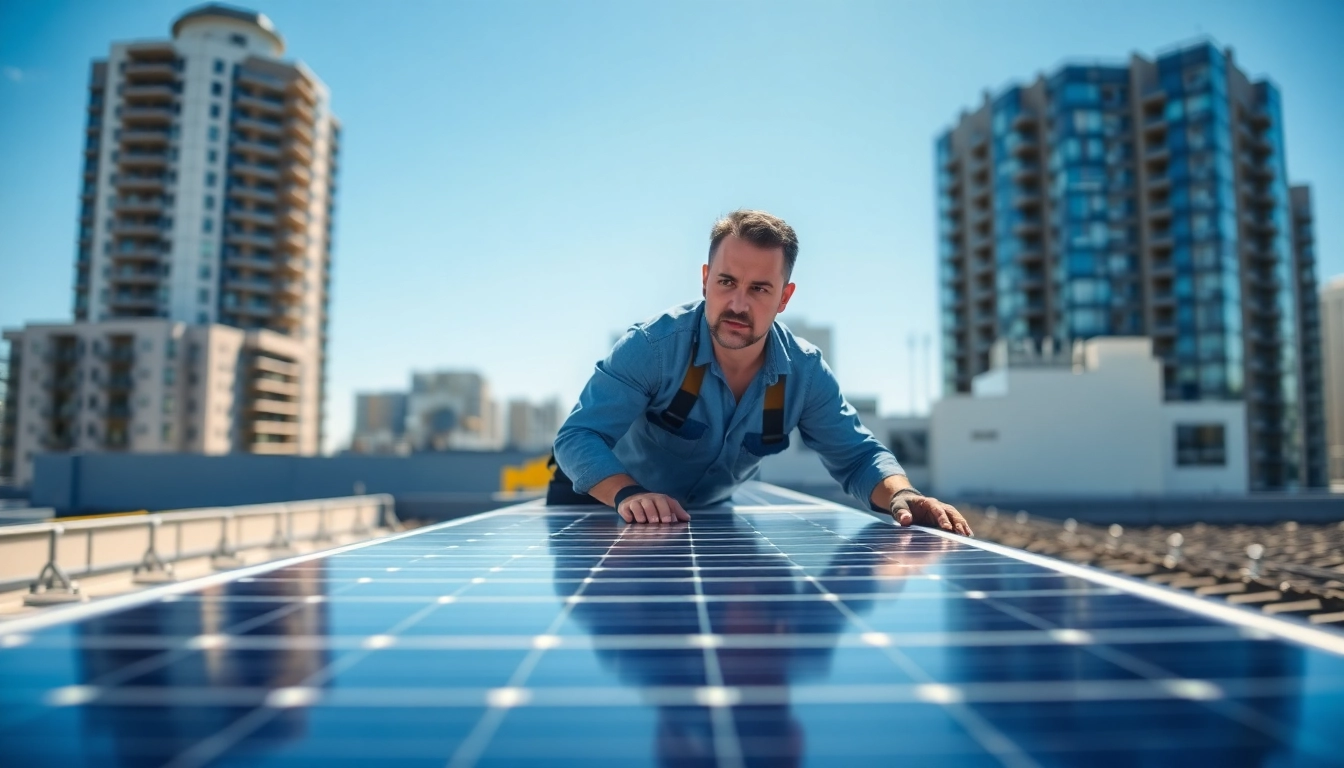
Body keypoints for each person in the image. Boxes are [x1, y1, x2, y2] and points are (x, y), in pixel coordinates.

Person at [550, 209, 971, 536]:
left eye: (759, 289)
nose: (737, 304)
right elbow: (577, 436)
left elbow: (859, 457)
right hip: (596, 504)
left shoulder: (804, 375)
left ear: (784, 297)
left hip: (697, 519)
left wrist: (903, 493)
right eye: (727, 282)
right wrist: (630, 495)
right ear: (704, 280)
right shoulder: (653, 348)